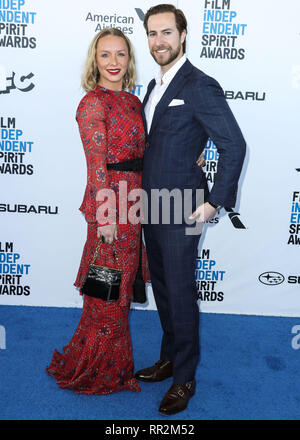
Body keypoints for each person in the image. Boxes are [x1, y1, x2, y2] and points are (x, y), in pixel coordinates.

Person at [135, 4, 246, 415]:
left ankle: (184, 379)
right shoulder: (154, 86)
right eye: (152, 33)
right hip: (151, 204)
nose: (158, 41)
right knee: (162, 286)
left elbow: (234, 145)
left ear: (183, 35)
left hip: (183, 207)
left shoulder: (200, 85)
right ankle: (168, 359)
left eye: (166, 32)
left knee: (180, 291)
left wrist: (214, 201)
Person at [46, 28, 148, 395]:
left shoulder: (133, 102)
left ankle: (111, 363)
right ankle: (98, 368)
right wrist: (105, 217)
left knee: (118, 292)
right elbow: (97, 166)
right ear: (95, 60)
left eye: (120, 54)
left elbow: (143, 154)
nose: (114, 62)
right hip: (112, 209)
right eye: (105, 55)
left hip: (134, 206)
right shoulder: (92, 103)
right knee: (107, 292)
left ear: (129, 59)